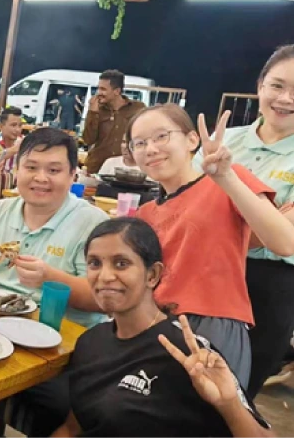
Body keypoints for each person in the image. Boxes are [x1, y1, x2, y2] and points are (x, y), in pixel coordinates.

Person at [50, 217, 272, 438]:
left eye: (121, 263)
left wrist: (229, 405)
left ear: (153, 275)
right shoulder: (90, 342)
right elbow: (72, 429)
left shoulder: (189, 354)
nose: (105, 276)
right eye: (94, 263)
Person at [127, 103, 294, 387]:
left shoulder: (228, 180)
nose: (151, 149)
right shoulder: (144, 214)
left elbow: (285, 242)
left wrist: (226, 177)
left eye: (161, 136)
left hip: (213, 325)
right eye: (139, 143)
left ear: (192, 140)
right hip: (157, 323)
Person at [194, 45, 294, 397]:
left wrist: (222, 195)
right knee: (181, 384)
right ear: (260, 86)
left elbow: (284, 239)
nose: (285, 98)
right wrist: (268, 216)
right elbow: (185, 209)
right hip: (201, 273)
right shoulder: (225, 141)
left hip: (267, 290)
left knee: (233, 397)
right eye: (277, 85)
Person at [0, 128, 108, 328]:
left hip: (60, 331)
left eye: (53, 170)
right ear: (17, 170)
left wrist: (49, 278)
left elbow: (102, 298)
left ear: (72, 175)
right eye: (31, 167)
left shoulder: (94, 223)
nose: (40, 178)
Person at [82, 70, 146, 174]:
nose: (99, 93)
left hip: (125, 169)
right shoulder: (97, 109)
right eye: (98, 88)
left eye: (103, 89)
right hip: (97, 168)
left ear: (117, 91)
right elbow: (88, 140)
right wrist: (93, 113)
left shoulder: (138, 108)